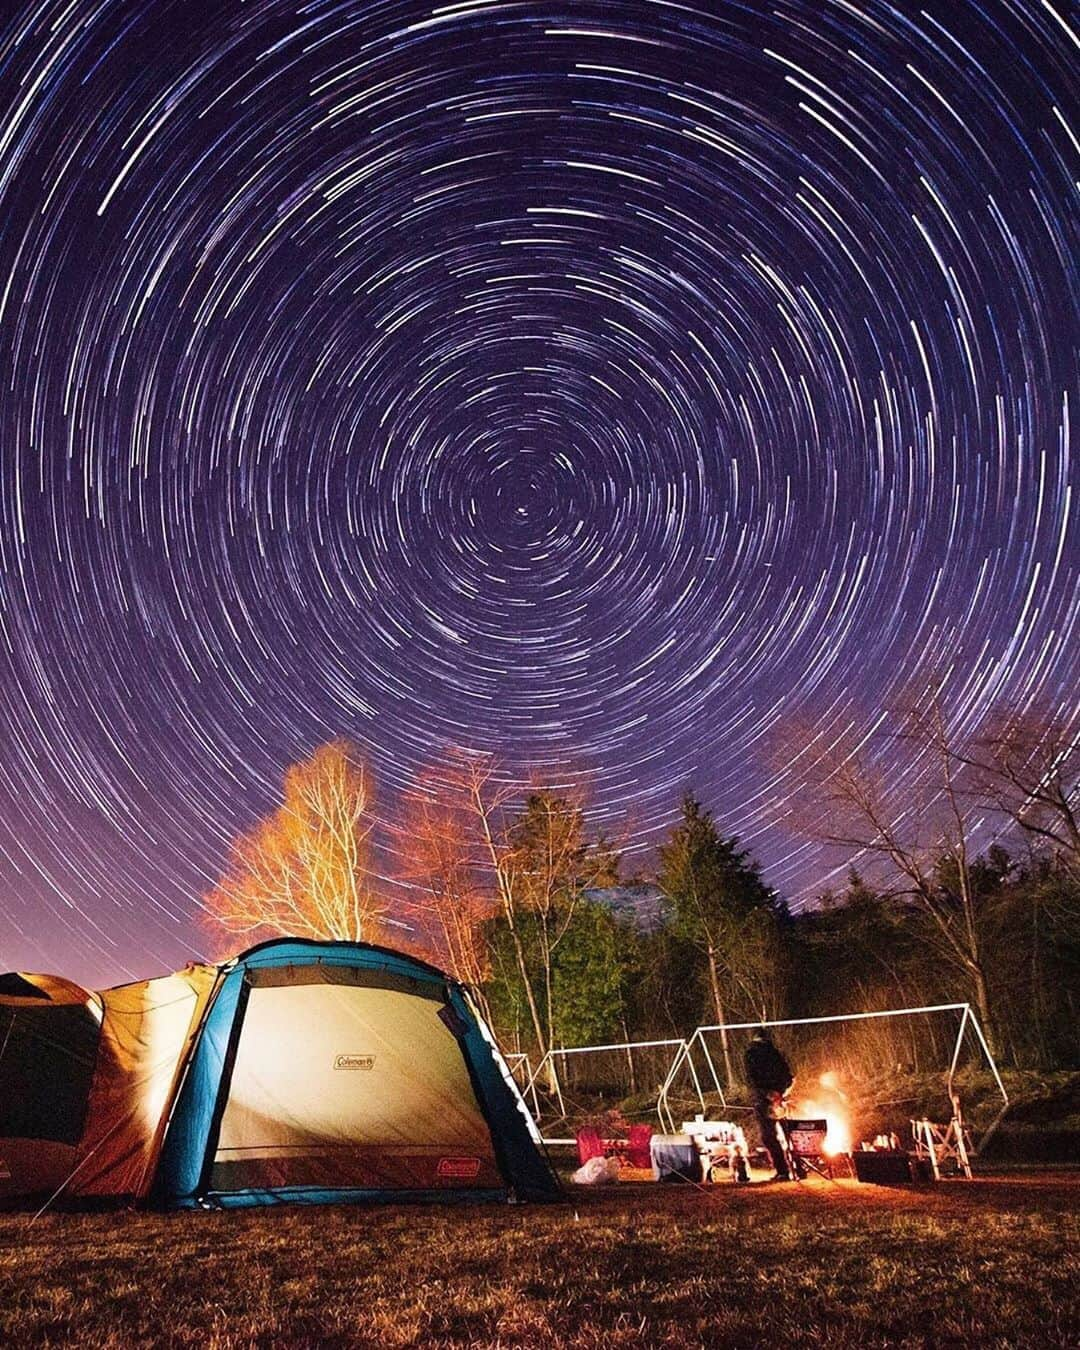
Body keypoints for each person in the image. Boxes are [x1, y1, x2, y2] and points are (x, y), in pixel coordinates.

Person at [744, 1027, 795, 1180]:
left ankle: (783, 1170)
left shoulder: (751, 1053)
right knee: (790, 1134)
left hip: (764, 1099)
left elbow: (751, 1078)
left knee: (769, 1136)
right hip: (780, 1098)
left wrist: (766, 1094)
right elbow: (789, 1076)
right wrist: (781, 1093)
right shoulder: (775, 1052)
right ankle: (798, 1168)